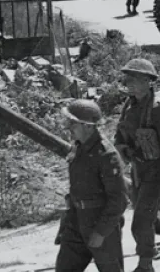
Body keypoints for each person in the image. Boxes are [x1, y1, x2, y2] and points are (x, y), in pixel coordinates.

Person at [114, 58, 160, 272]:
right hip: (138, 171)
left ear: (148, 81)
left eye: (136, 78)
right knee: (148, 217)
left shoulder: (159, 109)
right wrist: (122, 147)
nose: (130, 82)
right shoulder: (130, 105)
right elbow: (120, 131)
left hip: (157, 174)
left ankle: (145, 264)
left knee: (141, 222)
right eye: (128, 78)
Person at [54, 99, 127, 272]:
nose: (68, 127)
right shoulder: (78, 147)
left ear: (88, 126)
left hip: (100, 222)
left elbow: (119, 200)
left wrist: (101, 232)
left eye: (73, 123)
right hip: (76, 222)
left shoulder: (106, 155)